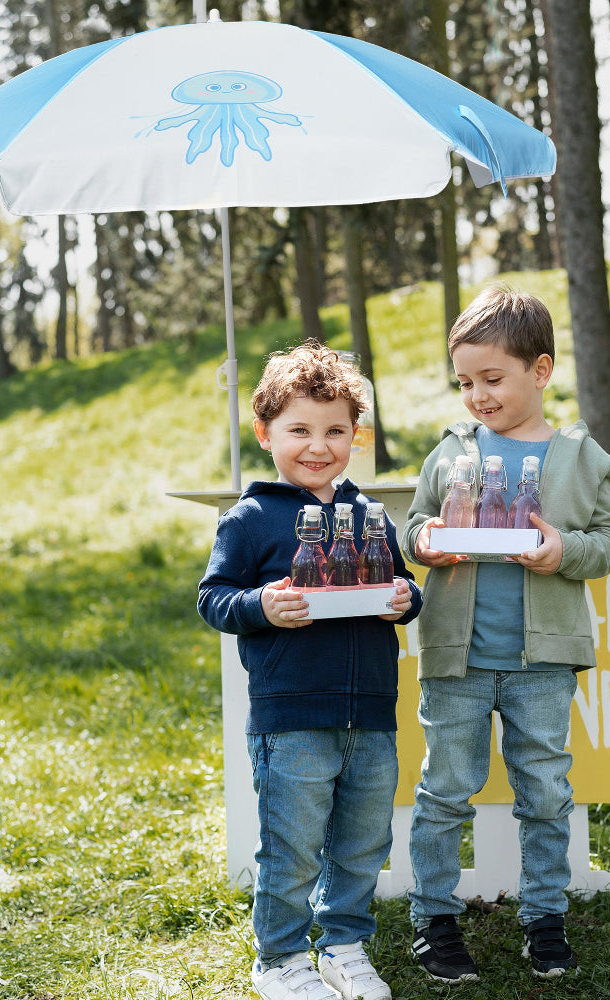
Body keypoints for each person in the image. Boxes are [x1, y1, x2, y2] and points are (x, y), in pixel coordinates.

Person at [400, 284, 610, 984]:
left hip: (543, 662)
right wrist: (428, 542)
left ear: (542, 370)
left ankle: (544, 920)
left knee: (546, 794)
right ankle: (433, 920)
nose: (477, 395)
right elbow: (414, 528)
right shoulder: (449, 454)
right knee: (444, 792)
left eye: (492, 379)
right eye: (464, 381)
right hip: (456, 657)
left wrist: (565, 552)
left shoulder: (583, 458)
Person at [198, 342, 423, 1000]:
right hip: (292, 716)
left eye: (335, 431)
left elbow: (405, 587)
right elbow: (214, 599)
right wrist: (263, 604)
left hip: (372, 714)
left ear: (357, 435)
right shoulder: (250, 518)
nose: (318, 446)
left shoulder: (372, 516)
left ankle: (344, 945)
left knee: (361, 842)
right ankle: (279, 959)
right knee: (292, 847)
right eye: (299, 430)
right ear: (266, 432)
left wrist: (407, 600)